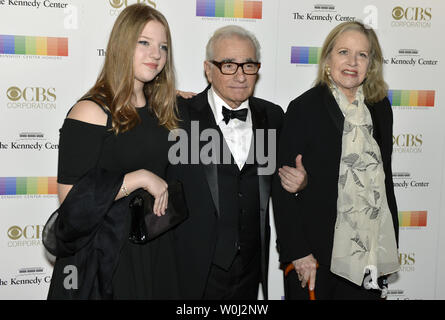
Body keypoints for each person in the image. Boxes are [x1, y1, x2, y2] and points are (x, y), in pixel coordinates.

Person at [43, 4, 180, 299]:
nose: (156, 54)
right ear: (122, 45)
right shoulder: (90, 111)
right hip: (104, 258)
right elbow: (71, 202)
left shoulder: (161, 110)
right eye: (143, 42)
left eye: (163, 46)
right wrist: (139, 178)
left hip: (154, 250)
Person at [168, 25, 307, 300]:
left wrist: (303, 182)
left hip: (250, 270)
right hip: (193, 271)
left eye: (249, 65)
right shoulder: (178, 116)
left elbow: (286, 182)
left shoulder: (274, 117)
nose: (241, 76)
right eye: (229, 65)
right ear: (208, 69)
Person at [272, 21, 400, 300]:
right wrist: (299, 252)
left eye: (362, 55)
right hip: (316, 258)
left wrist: (390, 247)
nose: (352, 62)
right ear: (328, 58)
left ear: (371, 63)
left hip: (369, 255)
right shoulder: (303, 108)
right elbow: (282, 188)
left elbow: (385, 180)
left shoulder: (380, 108)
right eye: (344, 52)